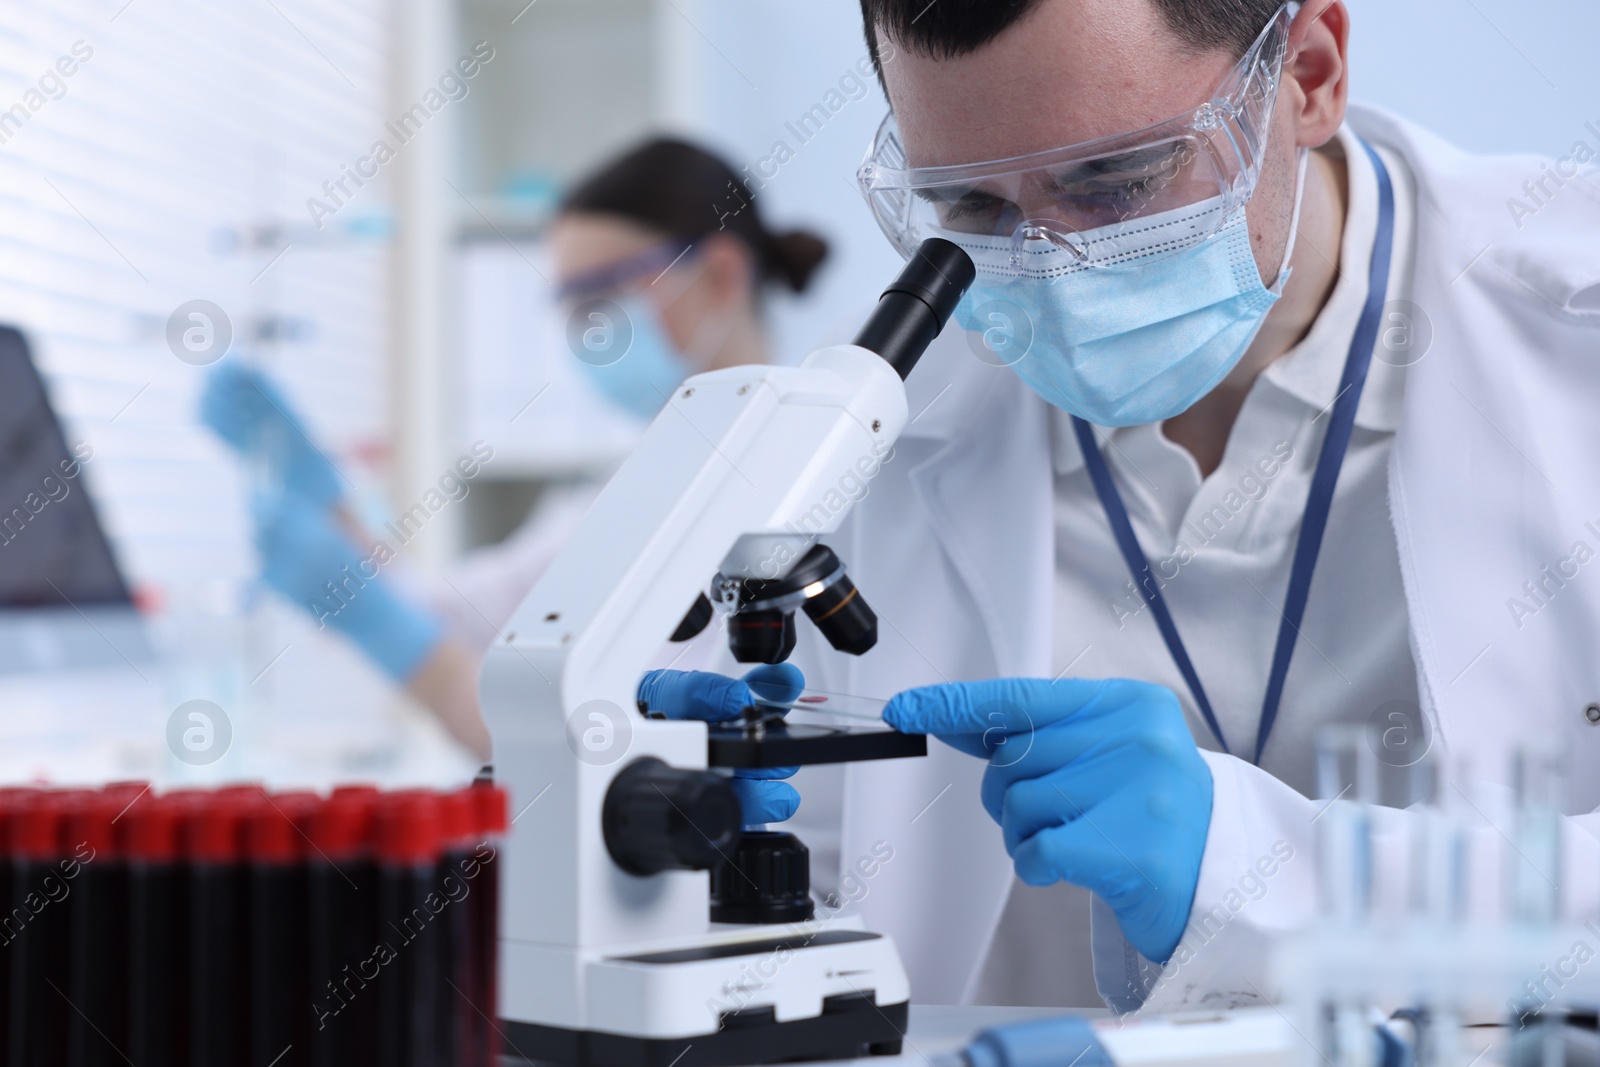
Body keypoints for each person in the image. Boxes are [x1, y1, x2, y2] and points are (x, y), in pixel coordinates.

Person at [638, 0, 1600, 1014]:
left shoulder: (1568, 326)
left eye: (1112, 181)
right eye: (971, 205)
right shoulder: (871, 426)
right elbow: (828, 911)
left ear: (1309, 73)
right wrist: (683, 859)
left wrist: (1244, 865)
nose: (1050, 267)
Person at [201, 138, 828, 769]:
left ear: (720, 275)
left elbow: (623, 748)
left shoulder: (803, 481)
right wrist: (327, 504)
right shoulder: (637, 481)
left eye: (604, 297)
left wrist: (418, 657)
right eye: (570, 307)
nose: (586, 332)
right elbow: (460, 615)